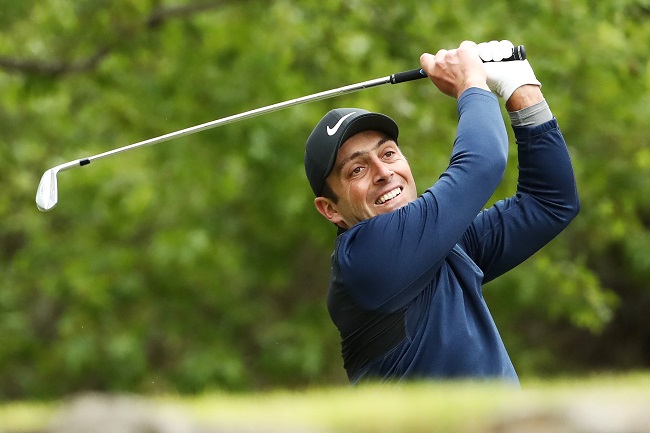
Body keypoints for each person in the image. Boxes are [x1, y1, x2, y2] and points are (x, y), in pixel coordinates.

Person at [303, 40, 580, 385]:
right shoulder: (364, 259)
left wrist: (518, 87)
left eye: (387, 154)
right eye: (356, 170)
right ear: (330, 210)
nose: (383, 171)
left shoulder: (444, 248)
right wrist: (472, 84)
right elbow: (482, 163)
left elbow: (549, 202)